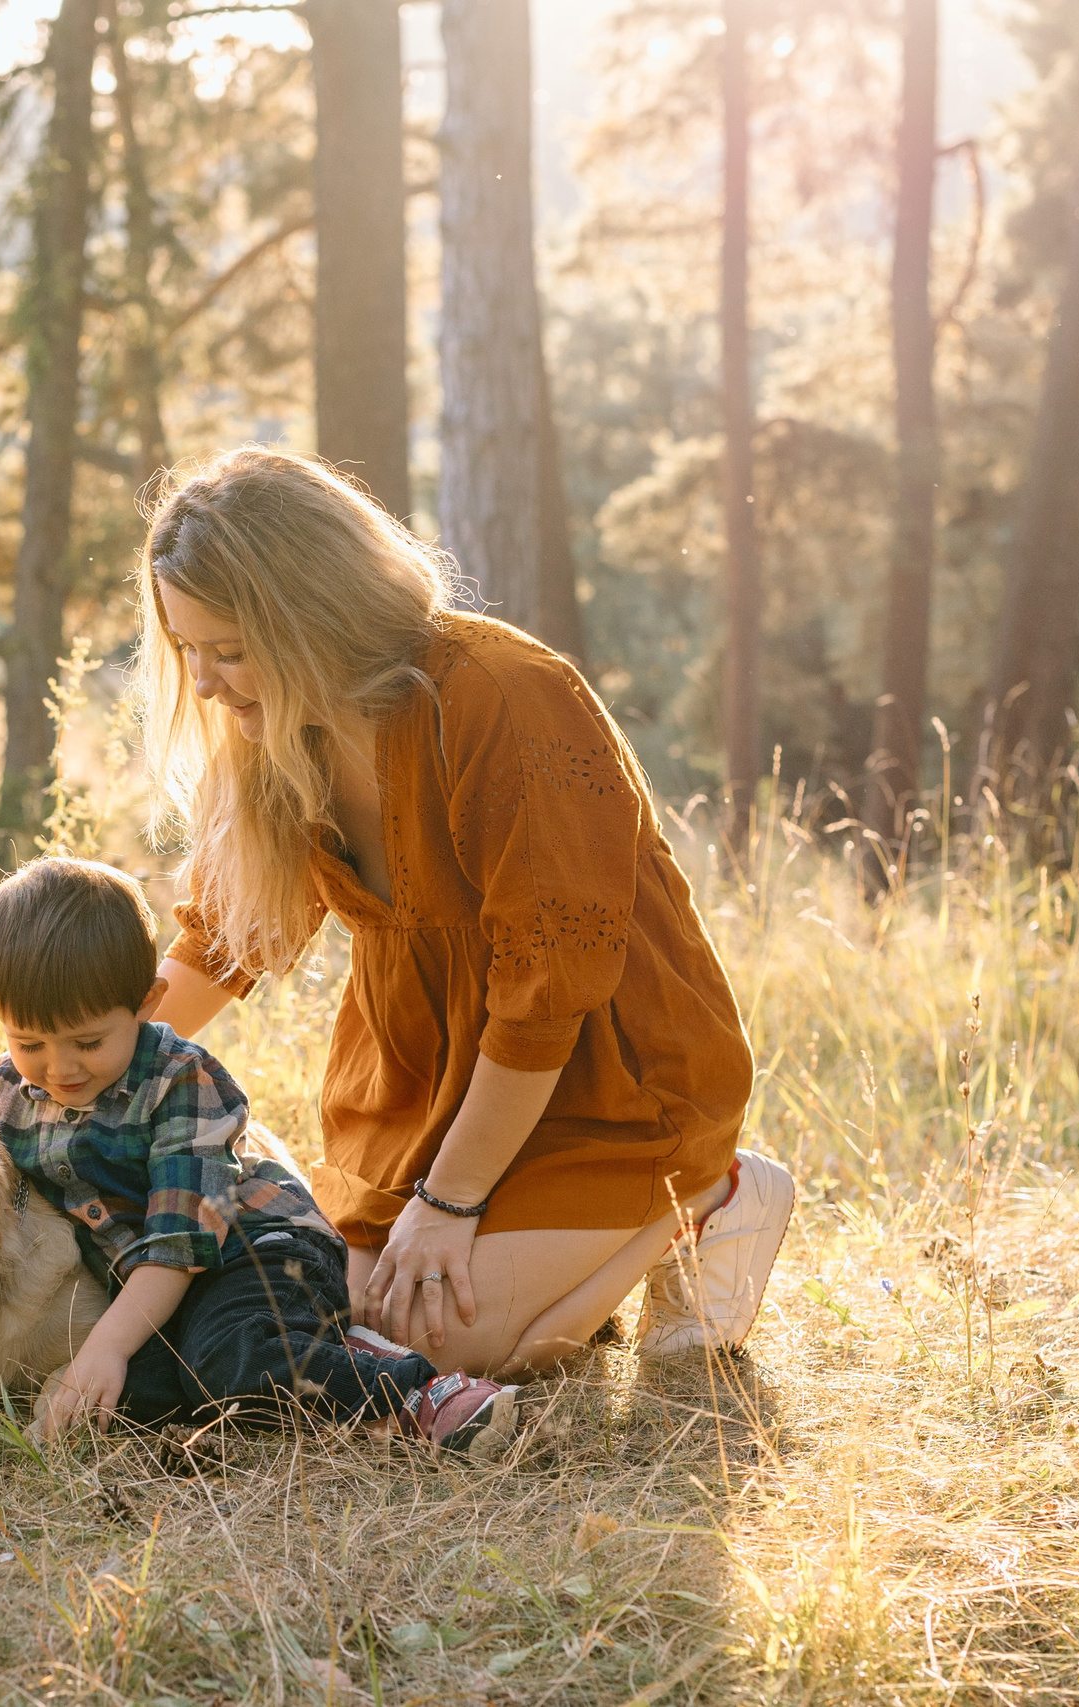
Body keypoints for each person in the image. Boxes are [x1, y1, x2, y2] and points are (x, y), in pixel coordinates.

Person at [136, 447, 790, 1377]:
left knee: (437, 1346)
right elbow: (222, 943)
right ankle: (569, 1265)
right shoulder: (278, 732)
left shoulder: (501, 694)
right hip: (428, 1095)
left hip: (604, 1082)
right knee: (338, 1310)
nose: (202, 683)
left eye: (229, 651)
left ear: (312, 619)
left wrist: (450, 1204)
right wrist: (48, 1075)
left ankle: (712, 1195)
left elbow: (545, 995)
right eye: (186, 650)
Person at [0, 857, 520, 1458]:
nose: (60, 1068)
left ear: (148, 1001)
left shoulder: (180, 1081)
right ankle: (306, 1362)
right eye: (29, 1043)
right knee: (135, 1397)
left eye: (88, 1042)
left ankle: (415, 1389)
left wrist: (108, 1345)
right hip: (158, 1290)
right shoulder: (13, 1093)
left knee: (231, 1362)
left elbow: (179, 1244)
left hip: (254, 1253)